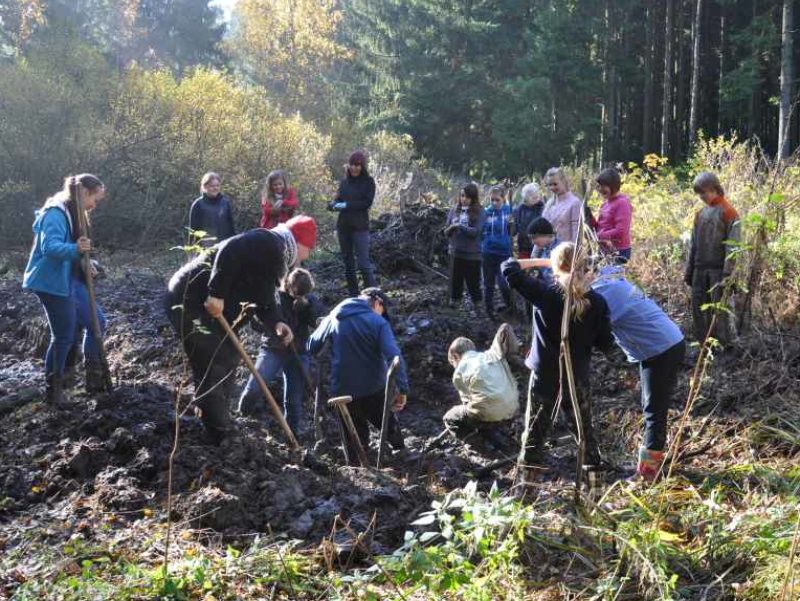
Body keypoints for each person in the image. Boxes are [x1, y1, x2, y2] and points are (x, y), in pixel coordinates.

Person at [165, 216, 318, 444]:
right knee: (216, 359)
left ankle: (219, 420)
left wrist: (277, 322)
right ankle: (218, 431)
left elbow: (264, 297)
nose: (307, 256)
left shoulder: (276, 256)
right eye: (309, 249)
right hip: (191, 300)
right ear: (300, 242)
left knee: (229, 356)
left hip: (206, 309)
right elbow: (230, 249)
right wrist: (216, 293)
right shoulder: (269, 242)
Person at [502, 242, 614, 471]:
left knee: (534, 433)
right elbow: (605, 343)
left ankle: (527, 480)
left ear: (557, 265)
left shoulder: (546, 293)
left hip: (545, 375)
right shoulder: (597, 302)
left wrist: (545, 262)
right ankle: (593, 479)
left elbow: (508, 267)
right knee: (583, 431)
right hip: (576, 376)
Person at [591, 265, 685, 481]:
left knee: (654, 409)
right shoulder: (609, 279)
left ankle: (648, 473)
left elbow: (593, 328)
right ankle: (649, 464)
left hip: (661, 348)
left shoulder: (604, 292)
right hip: (662, 344)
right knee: (651, 406)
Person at [22, 174, 108, 406]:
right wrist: (76, 250)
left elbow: (74, 250)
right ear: (84, 193)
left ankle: (94, 380)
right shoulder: (55, 213)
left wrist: (87, 262)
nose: (94, 206)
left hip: (69, 278)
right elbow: (50, 248)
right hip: (51, 282)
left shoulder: (75, 213)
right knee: (63, 336)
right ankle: (55, 391)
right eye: (95, 200)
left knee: (98, 322)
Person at [307, 287, 410, 465]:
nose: (382, 315)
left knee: (352, 437)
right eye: (383, 310)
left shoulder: (334, 316)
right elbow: (394, 356)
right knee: (388, 427)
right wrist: (403, 389)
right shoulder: (378, 322)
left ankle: (355, 471)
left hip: (343, 390)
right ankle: (402, 457)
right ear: (377, 303)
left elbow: (312, 346)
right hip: (374, 387)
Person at [238, 268, 321, 435]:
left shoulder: (309, 299)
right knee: (255, 388)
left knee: (293, 400)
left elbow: (316, 322)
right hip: (273, 349)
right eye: (296, 293)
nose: (298, 296)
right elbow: (256, 323)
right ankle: (240, 419)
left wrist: (307, 307)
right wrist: (276, 327)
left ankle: (292, 437)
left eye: (302, 294)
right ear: (288, 285)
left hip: (299, 351)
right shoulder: (274, 297)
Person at [684, 172, 740, 348]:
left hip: (718, 270)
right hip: (699, 269)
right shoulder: (700, 214)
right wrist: (689, 270)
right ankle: (704, 345)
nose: (701, 196)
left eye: (704, 192)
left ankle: (726, 346)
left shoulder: (729, 212)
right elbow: (694, 244)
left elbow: (733, 247)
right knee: (698, 309)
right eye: (699, 193)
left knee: (720, 310)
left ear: (715, 188)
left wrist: (728, 274)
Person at [444, 323, 520, 452]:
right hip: (513, 410)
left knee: (450, 418)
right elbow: (505, 327)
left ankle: (477, 448)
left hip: (486, 415)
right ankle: (495, 435)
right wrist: (513, 356)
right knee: (480, 409)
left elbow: (468, 403)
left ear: (455, 356)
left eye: (453, 363)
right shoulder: (493, 354)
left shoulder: (459, 371)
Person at [329, 151, 377, 296]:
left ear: (362, 166)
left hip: (360, 227)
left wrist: (346, 205)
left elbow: (366, 203)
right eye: (352, 165)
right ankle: (354, 296)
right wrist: (332, 205)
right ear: (348, 166)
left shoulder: (368, 182)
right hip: (343, 227)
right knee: (348, 264)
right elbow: (338, 200)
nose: (354, 168)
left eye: (358, 165)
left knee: (363, 264)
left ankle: (374, 296)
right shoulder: (344, 183)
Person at [444, 183, 485, 312]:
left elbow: (476, 232)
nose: (464, 199)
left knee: (473, 282)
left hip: (473, 254)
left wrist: (460, 226)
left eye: (467, 197)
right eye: (462, 196)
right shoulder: (454, 210)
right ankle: (454, 304)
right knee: (456, 280)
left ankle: (478, 305)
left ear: (473, 198)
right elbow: (446, 230)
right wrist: (452, 228)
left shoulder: (480, 211)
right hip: (456, 252)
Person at [481, 186, 513, 319]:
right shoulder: (486, 212)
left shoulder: (509, 210)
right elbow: (480, 231)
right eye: (492, 200)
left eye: (497, 200)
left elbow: (514, 228)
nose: (494, 203)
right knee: (488, 284)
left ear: (503, 199)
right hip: (488, 253)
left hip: (504, 253)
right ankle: (489, 310)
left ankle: (510, 307)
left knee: (504, 282)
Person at [594, 168, 633, 261]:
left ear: (613, 186)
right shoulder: (606, 203)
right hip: (605, 250)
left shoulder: (622, 203)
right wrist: (590, 219)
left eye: (604, 186)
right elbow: (601, 226)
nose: (600, 189)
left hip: (619, 251)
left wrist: (601, 235)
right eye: (599, 186)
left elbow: (621, 231)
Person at [188, 172, 236, 246]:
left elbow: (231, 228)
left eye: (217, 185)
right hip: (205, 249)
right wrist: (191, 250)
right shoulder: (198, 204)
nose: (215, 188)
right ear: (205, 186)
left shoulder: (225, 203)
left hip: (224, 247)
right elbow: (192, 232)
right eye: (212, 186)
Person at [542, 167, 582, 244]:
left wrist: (573, 249)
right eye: (549, 185)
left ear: (563, 181)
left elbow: (576, 232)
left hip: (565, 249)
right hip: (547, 249)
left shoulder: (575, 203)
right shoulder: (549, 203)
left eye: (555, 184)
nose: (552, 188)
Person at [513, 183, 545, 259]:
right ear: (525, 197)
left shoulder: (542, 208)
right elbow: (515, 227)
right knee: (525, 264)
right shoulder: (519, 209)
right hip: (523, 245)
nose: (535, 196)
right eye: (531, 195)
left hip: (539, 245)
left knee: (538, 264)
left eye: (536, 194)